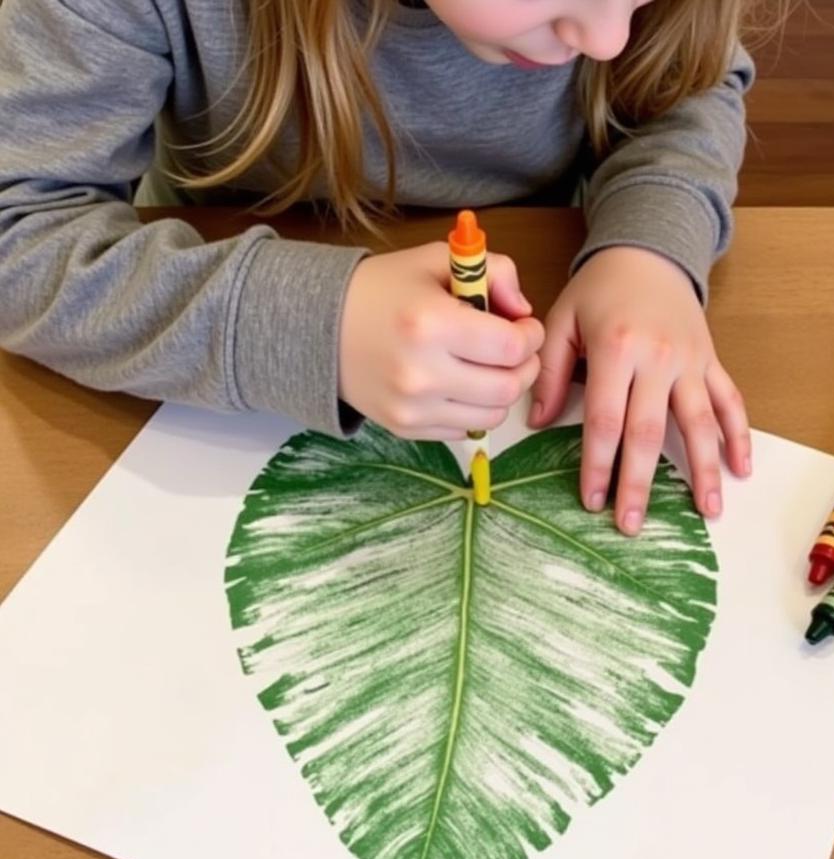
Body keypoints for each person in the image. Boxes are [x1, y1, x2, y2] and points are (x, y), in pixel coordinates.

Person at [0, 0, 778, 534]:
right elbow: (19, 231)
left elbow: (687, 87)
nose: (610, 39)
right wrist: (313, 327)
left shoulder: (607, 23)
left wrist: (650, 250)